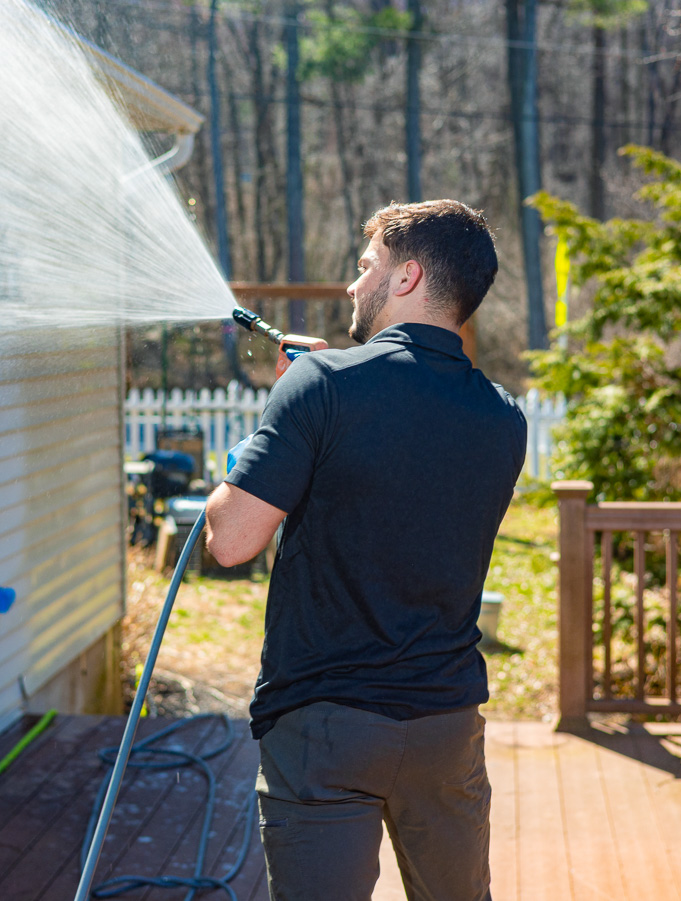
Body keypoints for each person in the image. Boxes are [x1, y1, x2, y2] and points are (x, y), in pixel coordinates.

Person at [204, 199, 526, 901]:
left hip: (328, 726)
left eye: (366, 265)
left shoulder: (320, 388)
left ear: (407, 276)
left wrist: (286, 416)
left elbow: (231, 540)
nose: (353, 286)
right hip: (447, 728)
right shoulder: (504, 418)